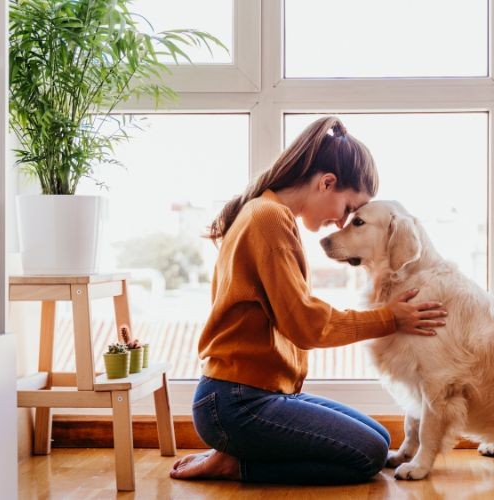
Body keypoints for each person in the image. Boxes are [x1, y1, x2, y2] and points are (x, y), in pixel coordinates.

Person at [170, 116, 447, 484]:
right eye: (348, 209)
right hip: (235, 403)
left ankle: (239, 451)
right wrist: (390, 318)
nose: (341, 223)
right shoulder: (268, 219)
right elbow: (306, 325)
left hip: (256, 395)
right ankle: (237, 463)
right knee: (367, 455)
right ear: (326, 182)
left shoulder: (268, 212)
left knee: (380, 440)